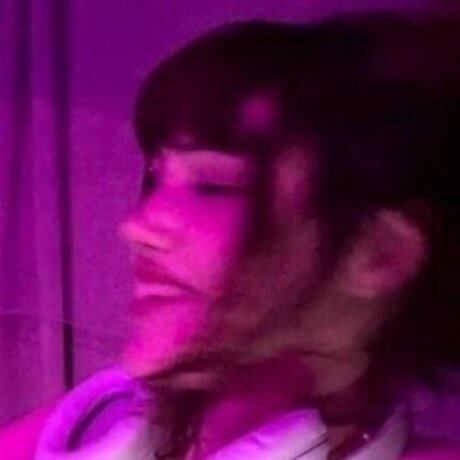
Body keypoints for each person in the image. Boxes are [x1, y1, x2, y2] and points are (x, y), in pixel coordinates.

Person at [2, 13, 459, 460]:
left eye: (214, 186)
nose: (137, 228)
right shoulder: (83, 434)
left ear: (381, 253)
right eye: (156, 178)